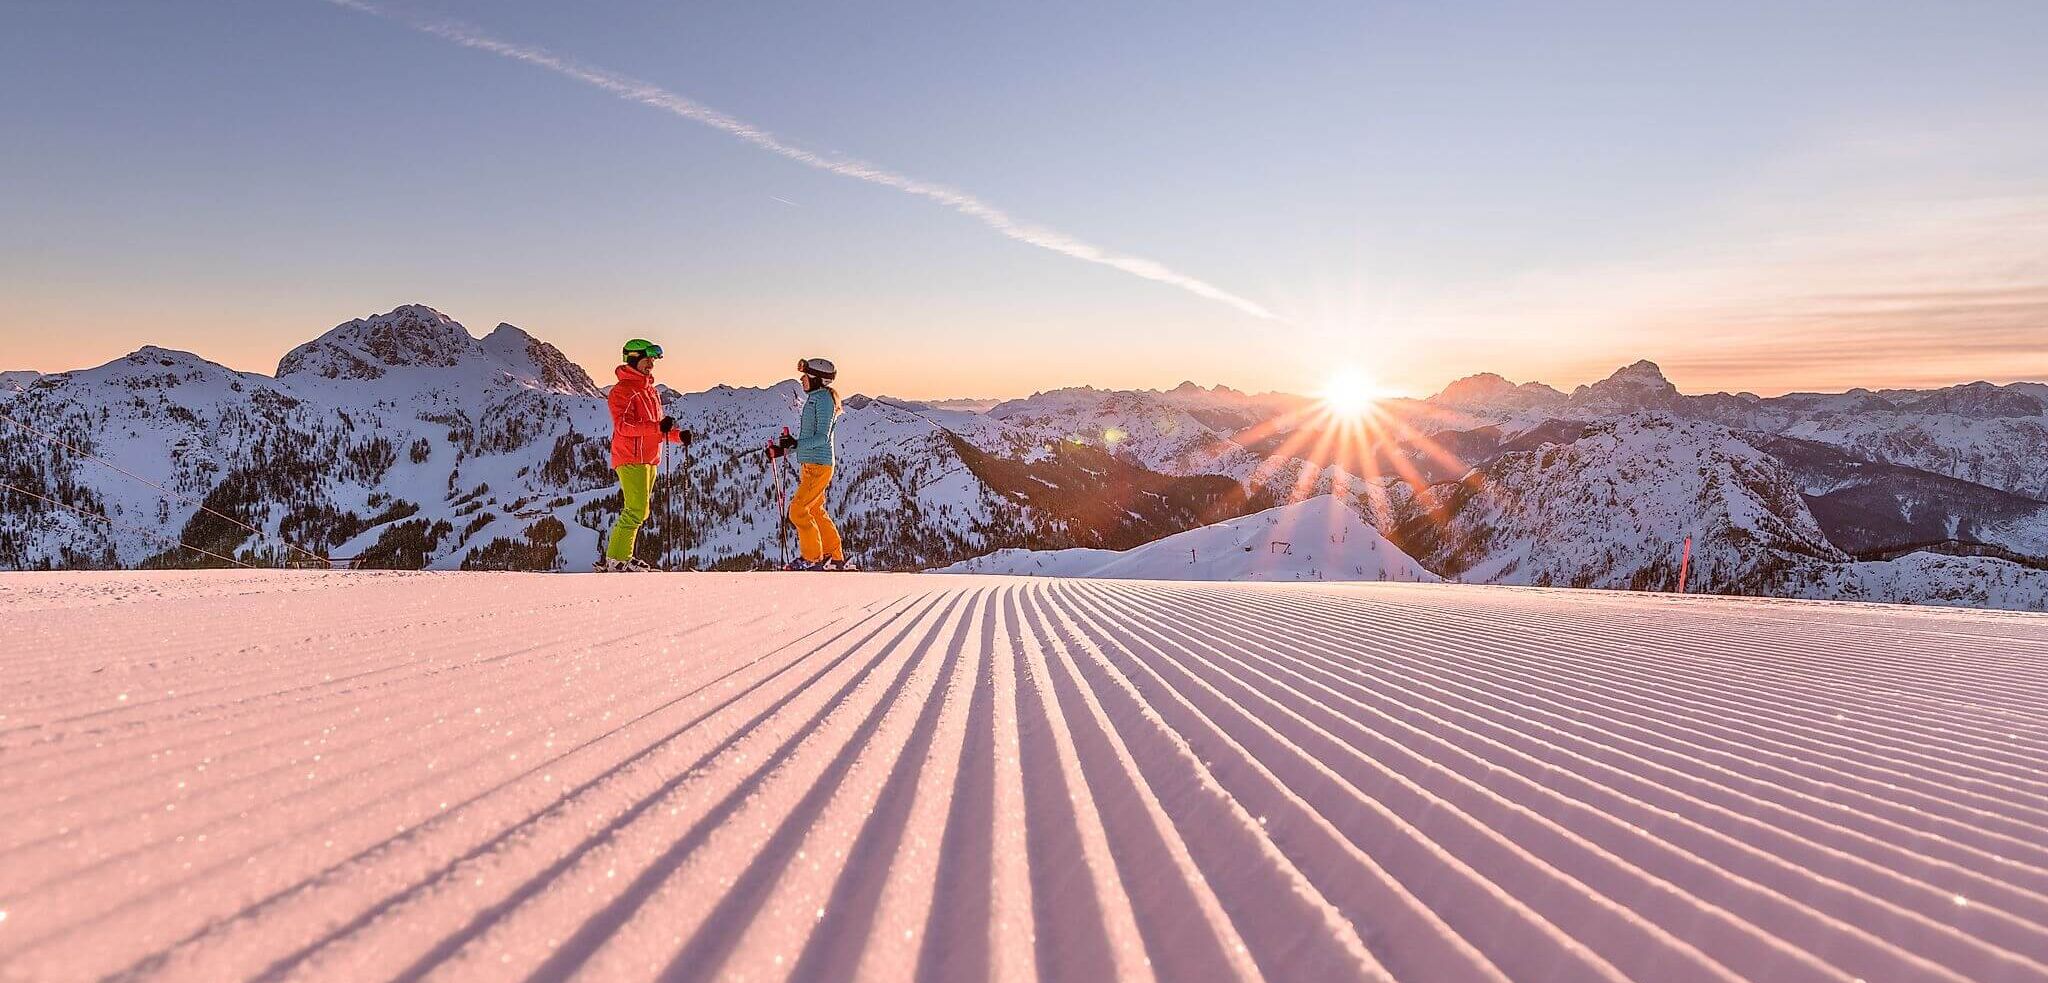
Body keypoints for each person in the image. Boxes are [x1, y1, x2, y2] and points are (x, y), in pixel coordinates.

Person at [598, 339, 690, 572]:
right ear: (633, 358)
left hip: (649, 458)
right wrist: (658, 427)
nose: (651, 364)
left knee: (640, 510)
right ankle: (617, 560)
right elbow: (623, 427)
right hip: (630, 457)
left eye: (653, 360)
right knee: (636, 509)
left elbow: (658, 429)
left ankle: (621, 557)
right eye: (646, 359)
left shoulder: (650, 392)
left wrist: (677, 436)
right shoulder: (622, 391)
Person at [779, 356, 852, 571]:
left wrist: (797, 443)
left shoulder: (823, 401)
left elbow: (822, 437)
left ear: (817, 379)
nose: (802, 379)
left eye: (805, 376)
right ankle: (835, 557)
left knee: (798, 509)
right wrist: (789, 446)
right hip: (812, 464)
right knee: (816, 510)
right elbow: (813, 437)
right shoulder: (817, 398)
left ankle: (812, 558)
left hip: (819, 466)